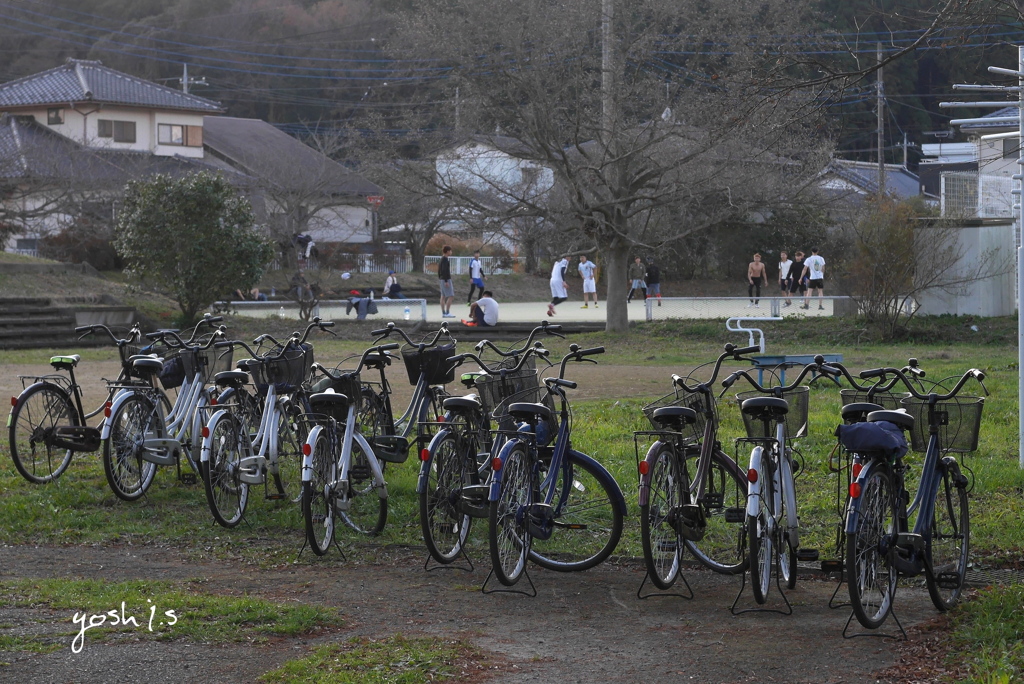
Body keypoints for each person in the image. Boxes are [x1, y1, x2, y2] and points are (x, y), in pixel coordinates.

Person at [438, 245, 455, 318]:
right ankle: (447, 312)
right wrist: (445, 281)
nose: (451, 252)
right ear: (447, 251)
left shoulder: (442, 259)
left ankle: (443, 313)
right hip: (446, 279)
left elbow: (439, 270)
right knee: (451, 296)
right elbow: (444, 270)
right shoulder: (444, 259)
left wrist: (440, 278)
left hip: (442, 279)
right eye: (450, 251)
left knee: (443, 296)